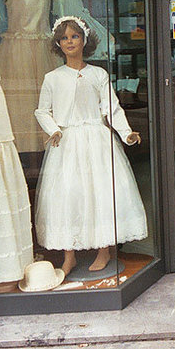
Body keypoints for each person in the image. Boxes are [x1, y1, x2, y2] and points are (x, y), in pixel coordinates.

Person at [34, 16, 147, 275]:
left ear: (85, 40)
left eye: (74, 36)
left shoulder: (98, 74)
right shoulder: (53, 77)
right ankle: (69, 254)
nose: (69, 41)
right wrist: (54, 130)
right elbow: (42, 111)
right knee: (68, 196)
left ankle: (104, 249)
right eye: (64, 38)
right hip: (67, 142)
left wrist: (126, 132)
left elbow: (111, 108)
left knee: (100, 193)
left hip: (96, 140)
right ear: (58, 44)